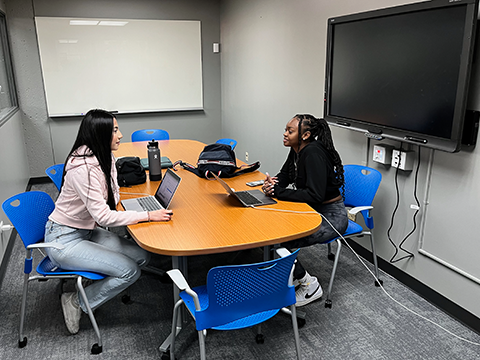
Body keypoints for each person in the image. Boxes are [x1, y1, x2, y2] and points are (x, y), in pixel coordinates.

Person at [44, 109, 173, 334]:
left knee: (143, 257)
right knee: (130, 271)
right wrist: (147, 214)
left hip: (86, 231)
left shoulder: (103, 156)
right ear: (99, 134)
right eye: (114, 130)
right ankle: (76, 301)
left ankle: (94, 284)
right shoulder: (82, 169)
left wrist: (137, 205)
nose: (121, 135)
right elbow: (104, 217)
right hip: (63, 240)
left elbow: (114, 195)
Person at [262, 114, 348, 307]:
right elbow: (284, 176)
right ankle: (286, 275)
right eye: (286, 129)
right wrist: (272, 184)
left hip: (331, 216)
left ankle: (310, 285)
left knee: (277, 240)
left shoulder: (313, 153)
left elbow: (315, 195)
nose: (284, 134)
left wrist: (279, 192)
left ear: (306, 135)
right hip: (310, 210)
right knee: (266, 231)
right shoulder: (297, 149)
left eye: (290, 131)